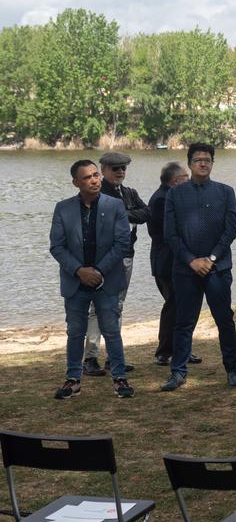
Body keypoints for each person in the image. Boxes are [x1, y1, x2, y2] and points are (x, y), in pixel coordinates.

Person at [49, 159, 133, 399]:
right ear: (76, 182)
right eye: (87, 177)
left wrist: (97, 271)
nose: (94, 180)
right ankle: (73, 380)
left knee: (112, 331)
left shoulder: (115, 206)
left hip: (106, 280)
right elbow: (57, 247)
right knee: (75, 332)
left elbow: (122, 243)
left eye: (96, 175)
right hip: (75, 282)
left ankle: (120, 379)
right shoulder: (62, 208)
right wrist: (79, 271)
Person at [161, 143, 236, 391]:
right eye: (197, 160)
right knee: (184, 321)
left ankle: (232, 370)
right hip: (186, 269)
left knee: (224, 319)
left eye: (207, 160)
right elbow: (170, 234)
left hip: (218, 268)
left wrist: (213, 258)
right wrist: (191, 260)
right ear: (190, 163)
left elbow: (231, 229)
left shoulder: (225, 192)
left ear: (212, 163)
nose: (203, 164)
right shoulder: (175, 194)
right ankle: (178, 371)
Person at [80, 151, 150, 376]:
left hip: (126, 256)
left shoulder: (129, 193)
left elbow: (146, 213)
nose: (120, 172)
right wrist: (127, 215)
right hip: (102, 259)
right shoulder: (96, 193)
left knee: (117, 305)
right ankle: (90, 358)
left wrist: (123, 214)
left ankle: (113, 357)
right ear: (103, 171)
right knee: (96, 307)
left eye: (123, 168)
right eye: (115, 168)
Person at [148, 161, 196, 368]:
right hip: (167, 262)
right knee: (174, 306)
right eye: (186, 177)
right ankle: (165, 351)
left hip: (178, 261)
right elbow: (171, 233)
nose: (189, 180)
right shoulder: (161, 199)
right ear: (176, 181)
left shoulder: (171, 195)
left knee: (183, 305)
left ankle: (181, 349)